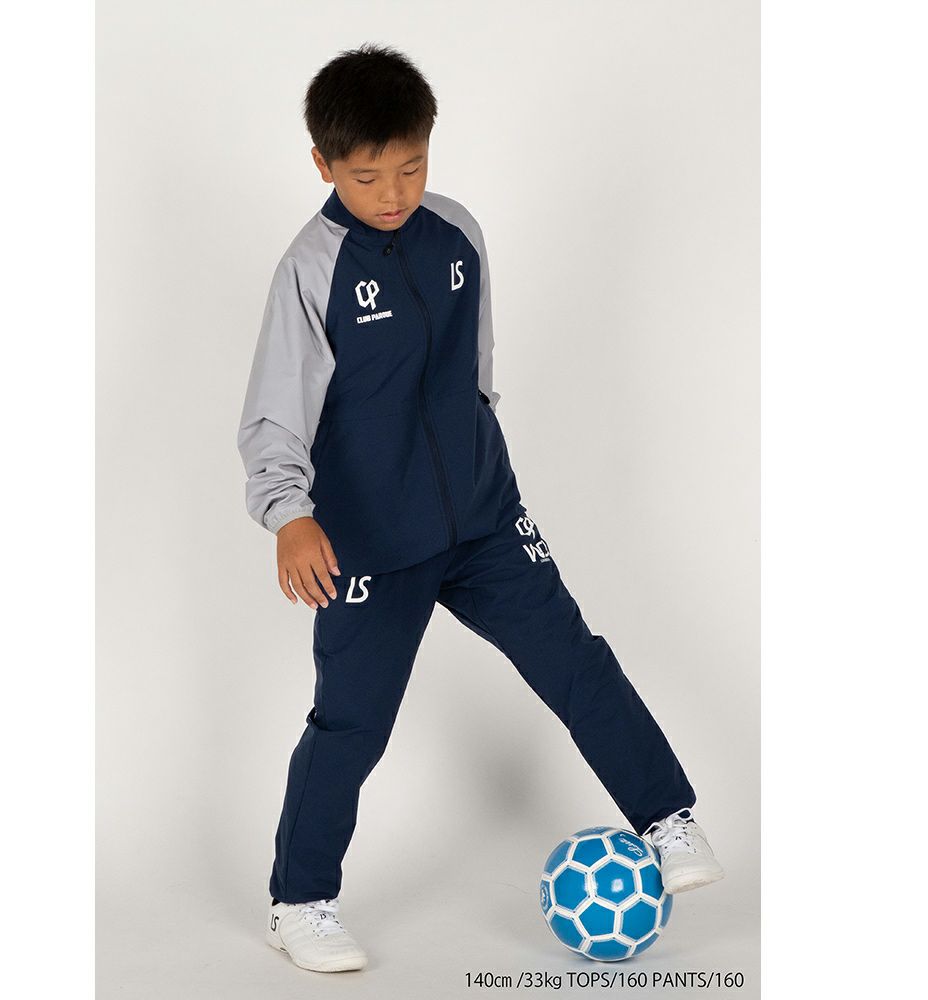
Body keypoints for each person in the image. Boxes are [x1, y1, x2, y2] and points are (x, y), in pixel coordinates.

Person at [237, 42, 723, 975]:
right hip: (372, 542)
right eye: (368, 175)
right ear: (324, 164)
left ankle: (667, 816)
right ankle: (298, 904)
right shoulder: (310, 270)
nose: (394, 193)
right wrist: (288, 514)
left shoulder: (456, 233)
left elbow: (475, 368)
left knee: (574, 659)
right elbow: (273, 412)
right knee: (351, 725)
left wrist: (479, 457)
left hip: (484, 518)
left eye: (412, 166)